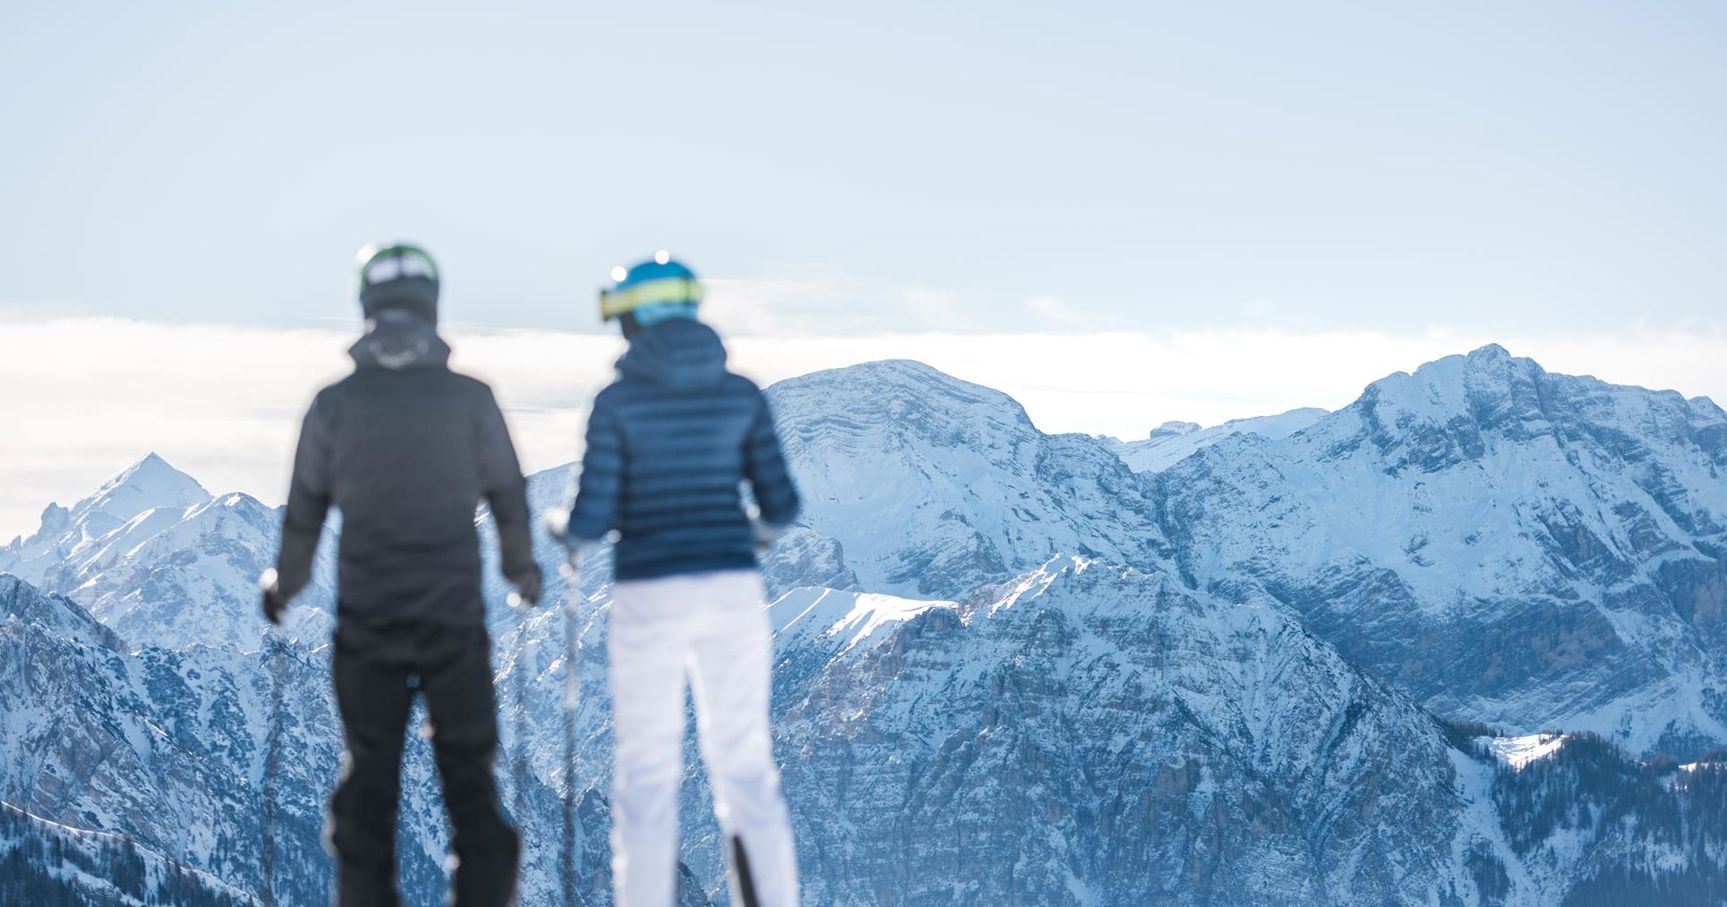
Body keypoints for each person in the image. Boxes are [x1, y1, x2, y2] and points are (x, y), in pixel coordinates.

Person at [261, 242, 542, 907]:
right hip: (455, 624)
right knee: (471, 786)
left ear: (366, 306)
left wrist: (285, 587)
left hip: (367, 625)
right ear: (432, 305)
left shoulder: (333, 405)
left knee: (368, 794)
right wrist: (521, 571)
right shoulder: (471, 399)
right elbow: (507, 494)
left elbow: (303, 512)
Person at [548, 252, 802, 907]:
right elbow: (781, 507)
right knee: (744, 765)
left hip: (648, 593)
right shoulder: (741, 394)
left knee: (648, 773)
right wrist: (742, 535)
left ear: (633, 317)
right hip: (732, 591)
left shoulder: (617, 401)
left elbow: (591, 517)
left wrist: (560, 530)